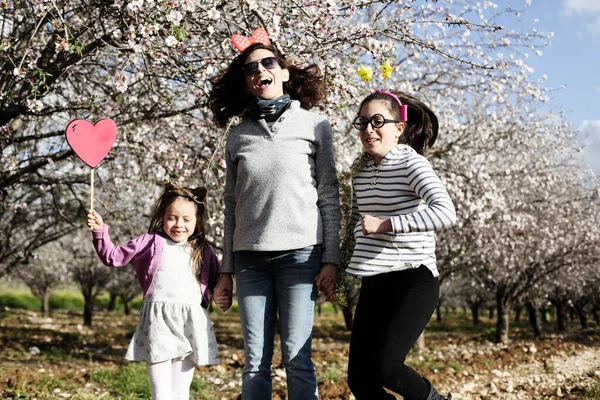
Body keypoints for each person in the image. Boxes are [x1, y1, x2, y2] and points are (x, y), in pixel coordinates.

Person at [209, 28, 340, 400]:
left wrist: (330, 259)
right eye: (251, 68)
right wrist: (226, 268)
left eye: (268, 62)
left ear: (284, 71)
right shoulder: (238, 135)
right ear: (246, 82)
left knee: (298, 359)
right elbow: (231, 204)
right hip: (250, 258)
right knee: (254, 362)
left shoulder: (316, 125)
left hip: (301, 255)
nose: (259, 71)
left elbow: (329, 194)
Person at [345, 90, 456, 400]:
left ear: (399, 127)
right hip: (375, 279)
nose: (369, 129)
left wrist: (388, 224)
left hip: (413, 278)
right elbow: (355, 222)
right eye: (363, 122)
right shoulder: (361, 170)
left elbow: (446, 212)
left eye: (378, 121)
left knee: (386, 368)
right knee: (360, 380)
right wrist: (336, 268)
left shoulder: (411, 164)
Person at [87, 181, 224, 400]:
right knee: (161, 394)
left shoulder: (203, 250)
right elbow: (112, 257)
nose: (179, 224)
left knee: (181, 393)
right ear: (162, 216)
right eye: (172, 218)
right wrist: (100, 232)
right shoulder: (150, 242)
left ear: (197, 220)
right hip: (158, 324)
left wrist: (222, 294)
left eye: (186, 219)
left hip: (189, 324)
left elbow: (218, 282)